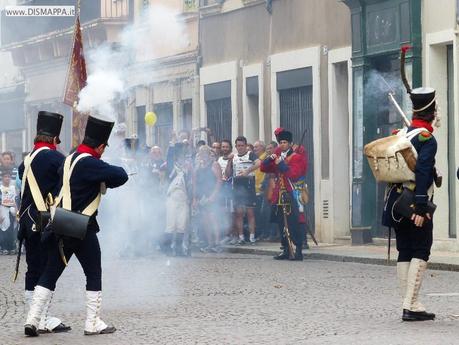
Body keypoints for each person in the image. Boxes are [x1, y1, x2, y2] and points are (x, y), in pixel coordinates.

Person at [24, 115, 128, 336]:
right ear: (100, 146)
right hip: (82, 226)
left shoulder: (70, 158)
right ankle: (92, 322)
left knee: (50, 272)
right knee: (93, 272)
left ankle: (33, 319)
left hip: (60, 221)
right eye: (103, 148)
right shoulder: (91, 162)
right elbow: (121, 175)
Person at [382, 87, 439, 322]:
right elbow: (423, 171)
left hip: (395, 200)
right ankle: (411, 304)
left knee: (405, 249)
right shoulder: (427, 138)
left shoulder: (401, 133)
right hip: (414, 200)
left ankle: (409, 303)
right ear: (432, 111)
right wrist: (421, 206)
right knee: (421, 248)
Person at [17, 111, 70, 334]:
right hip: (46, 221)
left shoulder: (26, 160)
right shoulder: (56, 158)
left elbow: (23, 177)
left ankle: (37, 317)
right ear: (55, 138)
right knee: (48, 269)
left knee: (33, 268)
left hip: (27, 221)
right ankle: (42, 318)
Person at [260, 128, 307, 260]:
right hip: (279, 194)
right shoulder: (278, 157)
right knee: (281, 223)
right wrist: (270, 159)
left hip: (291, 192)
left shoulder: (296, 157)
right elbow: (264, 168)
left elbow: (294, 174)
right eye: (281, 142)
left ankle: (298, 250)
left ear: (290, 143)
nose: (282, 144)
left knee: (293, 222)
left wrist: (281, 164)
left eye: (285, 142)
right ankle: (286, 248)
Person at [225, 136, 257, 245]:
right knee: (238, 213)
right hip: (237, 187)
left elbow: (259, 163)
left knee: (250, 213)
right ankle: (241, 237)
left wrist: (247, 171)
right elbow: (228, 174)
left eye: (242, 145)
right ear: (235, 146)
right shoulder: (233, 157)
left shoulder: (250, 154)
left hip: (248, 186)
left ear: (246, 145)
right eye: (238, 146)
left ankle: (252, 237)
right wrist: (229, 161)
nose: (240, 148)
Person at [164, 142, 193, 256]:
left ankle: (179, 249)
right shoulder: (172, 165)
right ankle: (167, 249)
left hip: (184, 198)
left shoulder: (187, 167)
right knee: (170, 224)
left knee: (182, 225)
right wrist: (173, 145)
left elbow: (191, 183)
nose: (181, 157)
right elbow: (169, 157)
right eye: (180, 155)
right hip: (172, 198)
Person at [193, 146, 222, 252]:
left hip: (211, 195)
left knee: (213, 219)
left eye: (205, 152)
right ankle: (210, 243)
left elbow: (219, 181)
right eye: (201, 152)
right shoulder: (198, 166)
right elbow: (195, 183)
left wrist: (214, 195)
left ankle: (217, 243)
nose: (203, 154)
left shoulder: (214, 164)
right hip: (202, 196)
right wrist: (195, 198)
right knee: (205, 221)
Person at [0, 169, 17, 254]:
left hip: (12, 210)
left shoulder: (13, 188)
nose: (7, 178)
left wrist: (17, 212)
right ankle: (4, 247)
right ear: (2, 178)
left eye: (8, 177)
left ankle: (12, 247)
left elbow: (16, 200)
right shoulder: (0, 188)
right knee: (4, 228)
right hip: (3, 209)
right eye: (5, 177)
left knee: (12, 229)